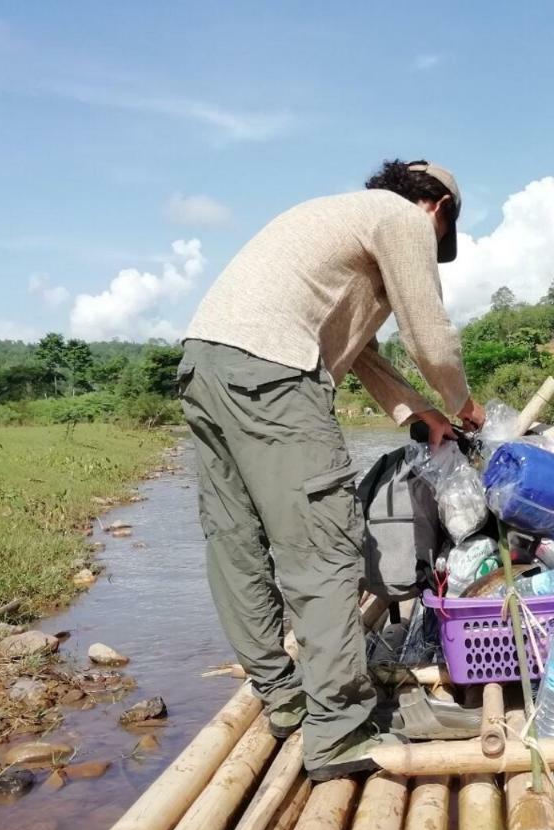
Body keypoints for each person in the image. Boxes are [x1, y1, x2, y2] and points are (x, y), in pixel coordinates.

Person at [178, 160, 485, 780]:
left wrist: (419, 414)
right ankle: (339, 732)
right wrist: (461, 402)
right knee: (324, 549)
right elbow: (430, 335)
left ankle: (284, 700)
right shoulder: (403, 218)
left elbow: (361, 354)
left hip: (204, 365)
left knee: (237, 543)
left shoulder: (334, 218)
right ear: (438, 209)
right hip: (274, 375)